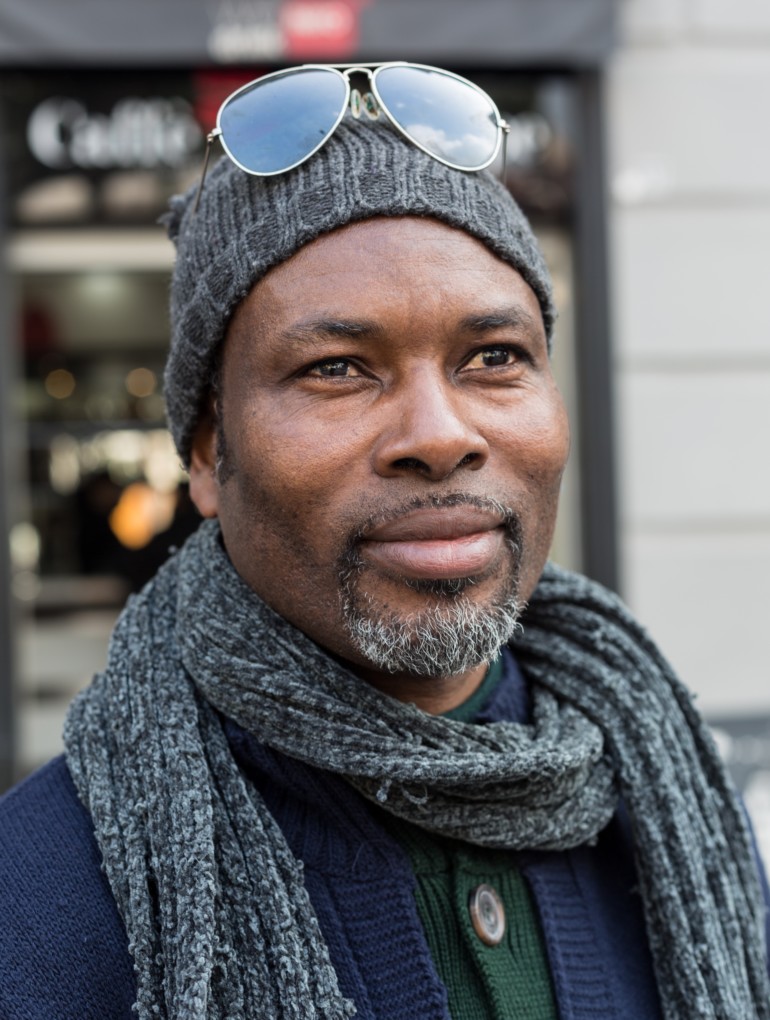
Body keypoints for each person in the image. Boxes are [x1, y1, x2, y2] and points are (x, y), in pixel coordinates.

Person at [1, 64, 769, 1020]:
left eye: (494, 357)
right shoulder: (40, 906)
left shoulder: (676, 808)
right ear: (205, 450)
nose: (440, 435)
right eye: (337, 368)